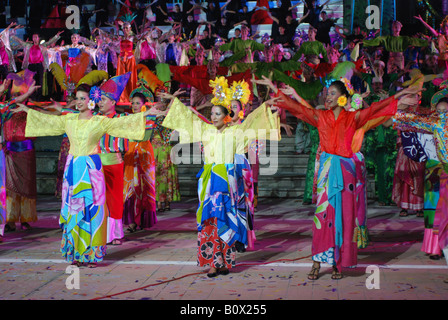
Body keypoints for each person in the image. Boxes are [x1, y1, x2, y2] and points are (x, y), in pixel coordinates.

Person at [255, 75, 420, 280]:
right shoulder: (320, 117)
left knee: (344, 218)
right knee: (322, 216)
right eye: (327, 93)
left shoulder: (354, 118)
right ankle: (316, 262)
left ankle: (337, 263)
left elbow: (376, 109)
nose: (328, 97)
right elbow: (299, 109)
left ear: (343, 97)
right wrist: (276, 90)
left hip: (347, 173)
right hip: (327, 171)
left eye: (332, 93)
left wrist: (399, 95)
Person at [14, 82, 153, 268]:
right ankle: (75, 253)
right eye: (77, 98)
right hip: (73, 170)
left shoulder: (99, 121)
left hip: (92, 170)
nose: (78, 102)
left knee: (92, 211)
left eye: (82, 98)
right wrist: (27, 110)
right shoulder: (69, 120)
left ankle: (91, 255)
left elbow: (122, 123)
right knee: (74, 211)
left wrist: (147, 114)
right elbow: (50, 122)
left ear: (91, 101)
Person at [160, 76, 280, 277]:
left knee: (227, 220)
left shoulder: (235, 133)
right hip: (209, 183)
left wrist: (266, 105)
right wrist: (173, 102)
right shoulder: (205, 130)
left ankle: (225, 262)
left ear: (226, 116)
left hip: (229, 183)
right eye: (212, 113)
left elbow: (252, 122)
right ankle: (213, 263)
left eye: (218, 114)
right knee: (211, 221)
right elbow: (187, 120)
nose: (213, 117)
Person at [122, 83, 162, 232]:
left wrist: (171, 99)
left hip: (145, 153)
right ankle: (131, 222)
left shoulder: (151, 118)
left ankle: (144, 220)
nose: (134, 105)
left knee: (145, 186)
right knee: (131, 186)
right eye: (132, 103)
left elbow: (168, 114)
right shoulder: (127, 118)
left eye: (138, 103)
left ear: (144, 105)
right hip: (131, 153)